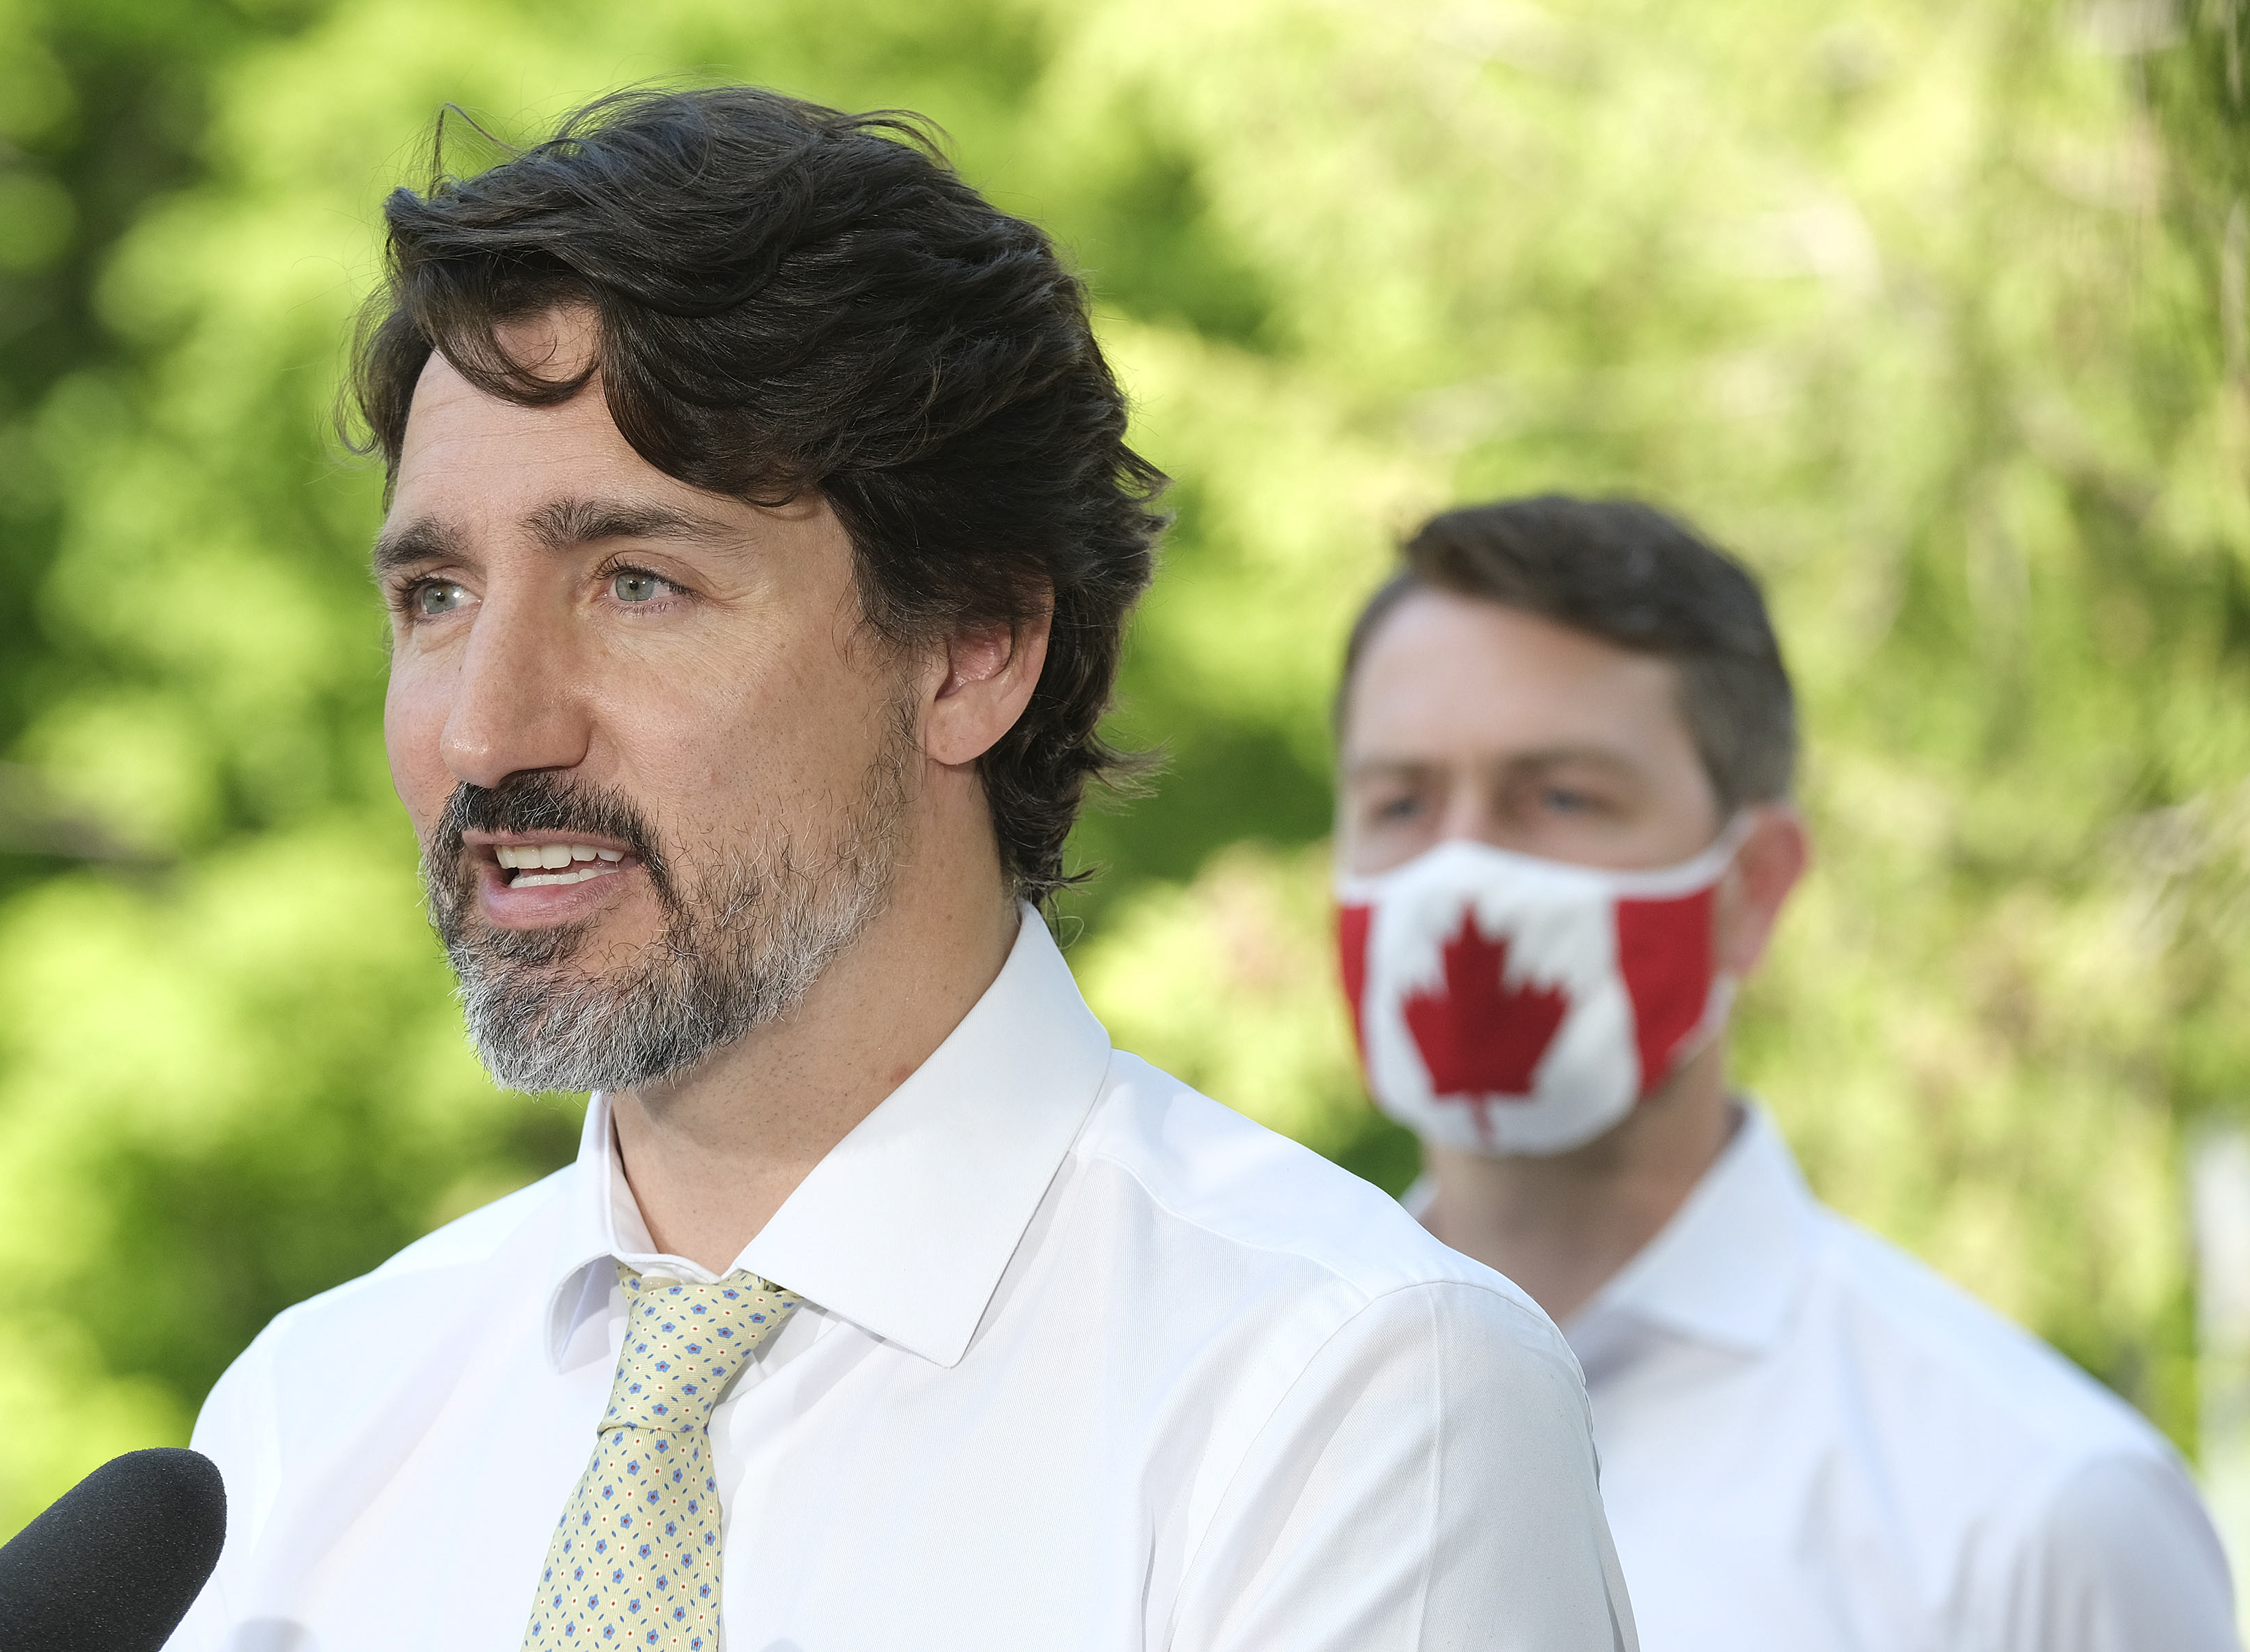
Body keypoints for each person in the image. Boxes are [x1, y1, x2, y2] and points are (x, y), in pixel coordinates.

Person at [167, 91, 1639, 1652]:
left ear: (974, 649)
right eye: (437, 595)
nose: (485, 730)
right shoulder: (303, 1433)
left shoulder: (1351, 1399)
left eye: (638, 583)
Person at [1333, 493, 2237, 1652]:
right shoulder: (1251, 1404)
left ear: (1752, 885)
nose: (1462, 872)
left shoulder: (2037, 1514)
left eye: (1560, 798)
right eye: (1400, 803)